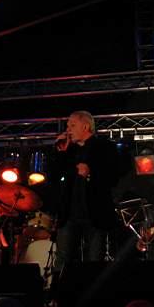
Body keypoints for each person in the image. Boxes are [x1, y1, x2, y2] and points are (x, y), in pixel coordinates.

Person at [53, 111, 120, 269]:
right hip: (69, 215)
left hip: (94, 215)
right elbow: (53, 176)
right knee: (63, 260)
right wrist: (59, 152)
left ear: (85, 126)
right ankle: (61, 285)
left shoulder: (104, 147)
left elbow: (115, 176)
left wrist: (91, 173)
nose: (68, 129)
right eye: (67, 126)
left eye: (72, 125)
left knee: (94, 259)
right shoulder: (69, 150)